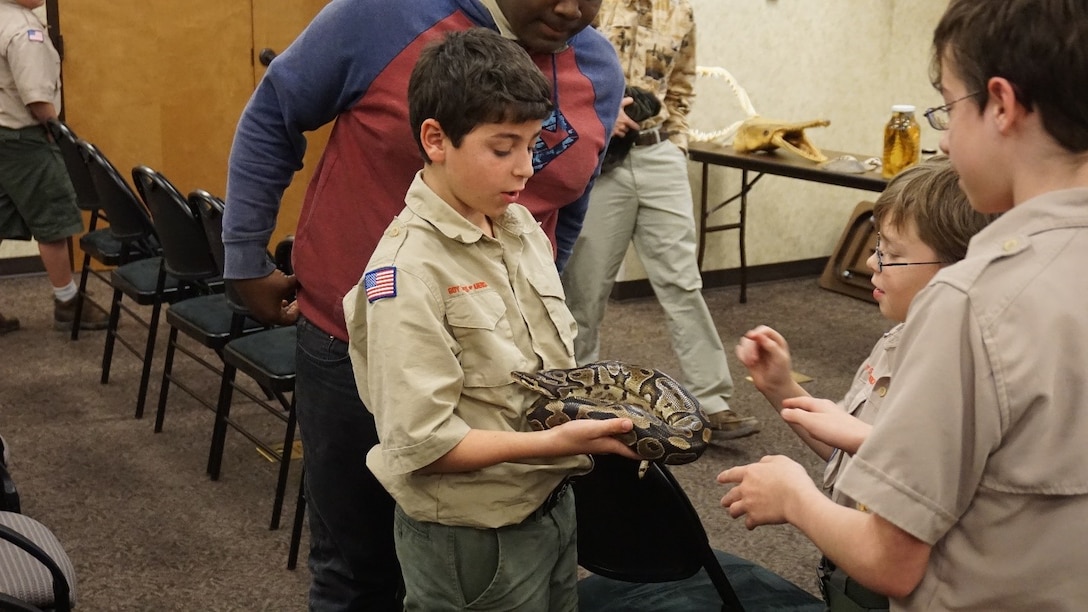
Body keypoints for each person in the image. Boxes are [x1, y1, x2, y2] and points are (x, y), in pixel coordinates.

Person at [222, 1, 624, 609]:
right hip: (352, 345)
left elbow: (568, 203)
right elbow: (275, 111)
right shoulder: (382, 15)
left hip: (497, 366)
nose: (571, 6)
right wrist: (244, 254)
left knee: (491, 548)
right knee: (358, 570)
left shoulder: (597, 66)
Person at [718, 0, 1088, 608]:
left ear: (1001, 104)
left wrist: (793, 495)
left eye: (946, 107)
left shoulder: (972, 302)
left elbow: (889, 561)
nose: (941, 136)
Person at [343, 28, 638, 611]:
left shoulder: (517, 226)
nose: (525, 169)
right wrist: (557, 441)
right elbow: (422, 444)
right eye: (502, 149)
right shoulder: (407, 273)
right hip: (473, 534)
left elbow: (544, 366)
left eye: (533, 145)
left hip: (547, 502)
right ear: (436, 140)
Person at [735, 157, 995, 611]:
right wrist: (781, 389)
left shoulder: (960, 373)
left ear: (959, 269)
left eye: (893, 254)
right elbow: (849, 451)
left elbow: (911, 510)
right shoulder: (897, 339)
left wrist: (795, 498)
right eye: (878, 246)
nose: (873, 261)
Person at [561, 0, 759, 439]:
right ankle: (576, 400)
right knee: (585, 292)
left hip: (658, 155)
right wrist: (595, 120)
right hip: (598, 156)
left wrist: (678, 146)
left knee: (682, 283)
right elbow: (557, 73)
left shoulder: (681, 11)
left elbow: (682, 89)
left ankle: (711, 402)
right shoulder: (586, 6)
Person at [0, 0, 107, 334]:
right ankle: (68, 303)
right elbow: (36, 98)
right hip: (25, 140)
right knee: (54, 219)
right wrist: (56, 132)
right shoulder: (23, 29)